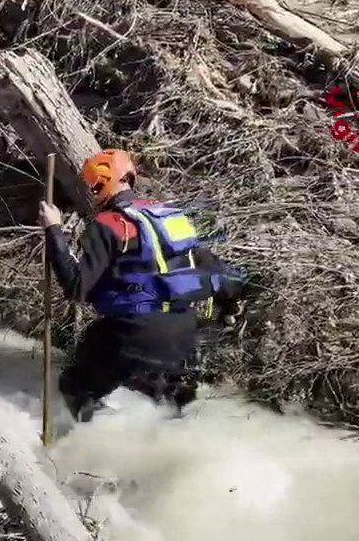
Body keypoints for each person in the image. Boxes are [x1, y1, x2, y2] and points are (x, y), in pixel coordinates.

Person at [39, 149, 238, 422]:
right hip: (184, 332)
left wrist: (54, 231)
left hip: (133, 333)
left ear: (101, 184)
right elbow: (214, 269)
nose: (94, 193)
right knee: (172, 402)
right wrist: (229, 307)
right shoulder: (171, 215)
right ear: (130, 177)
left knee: (76, 382)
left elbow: (76, 286)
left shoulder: (107, 225)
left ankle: (91, 440)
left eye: (94, 186)